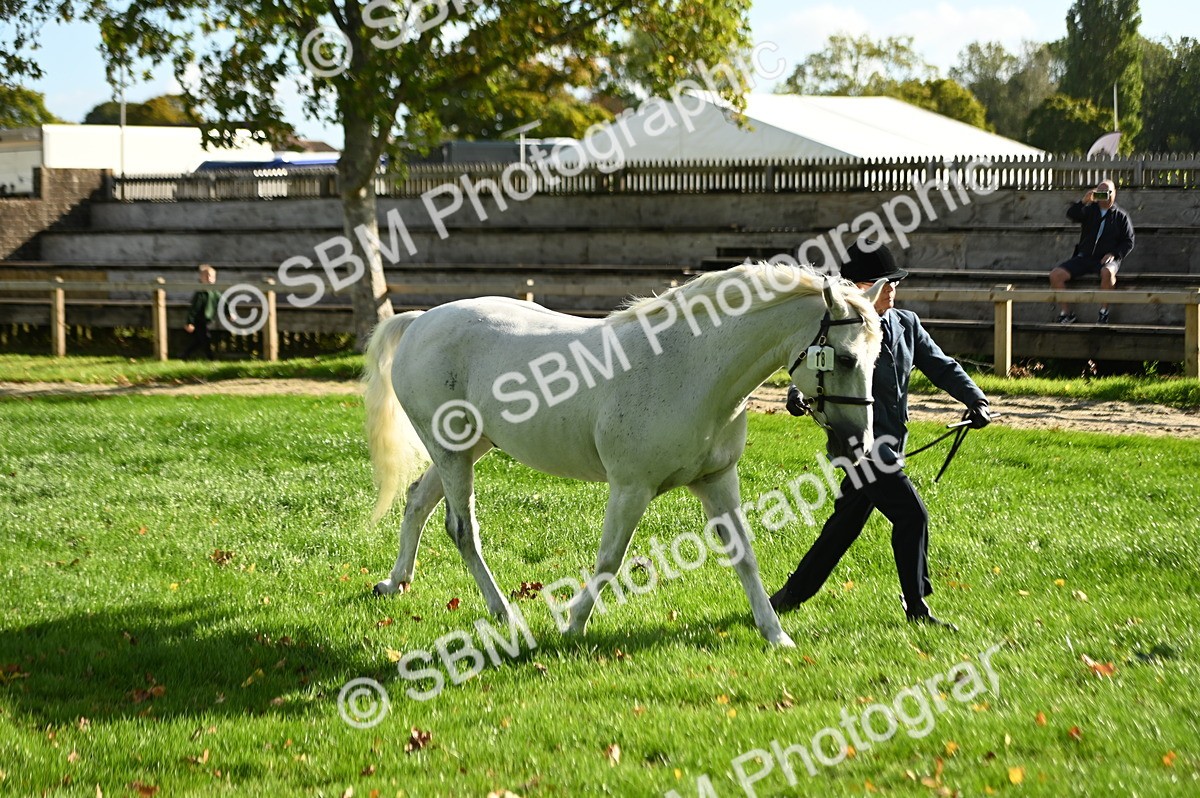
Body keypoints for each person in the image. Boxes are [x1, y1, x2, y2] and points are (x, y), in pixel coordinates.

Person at [770, 241, 991, 630]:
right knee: (912, 516)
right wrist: (795, 394)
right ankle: (917, 608)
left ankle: (789, 595)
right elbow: (812, 367)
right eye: (886, 282)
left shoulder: (906, 324)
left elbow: (940, 365)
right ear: (860, 287)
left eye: (894, 283)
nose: (893, 289)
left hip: (892, 443)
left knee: (843, 527)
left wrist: (975, 398)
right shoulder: (839, 327)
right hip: (857, 444)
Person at [1048, 179, 1135, 324]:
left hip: (1106, 259)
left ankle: (1103, 312)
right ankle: (1066, 313)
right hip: (1084, 257)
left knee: (1108, 272)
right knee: (1055, 275)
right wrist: (1083, 201)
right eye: (1100, 192)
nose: (1104, 196)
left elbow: (1128, 241)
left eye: (1107, 192)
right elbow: (1072, 214)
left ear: (1114, 194)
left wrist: (1113, 254)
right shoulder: (1089, 210)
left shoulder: (1121, 216)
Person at [182, 264, 221, 360]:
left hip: (207, 320)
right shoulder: (200, 294)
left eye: (211, 276)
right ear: (201, 278)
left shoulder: (215, 292)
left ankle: (184, 355)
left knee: (199, 341)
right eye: (206, 276)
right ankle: (210, 358)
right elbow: (193, 309)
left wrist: (229, 312)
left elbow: (223, 302)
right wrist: (189, 322)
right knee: (206, 339)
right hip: (199, 321)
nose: (209, 278)